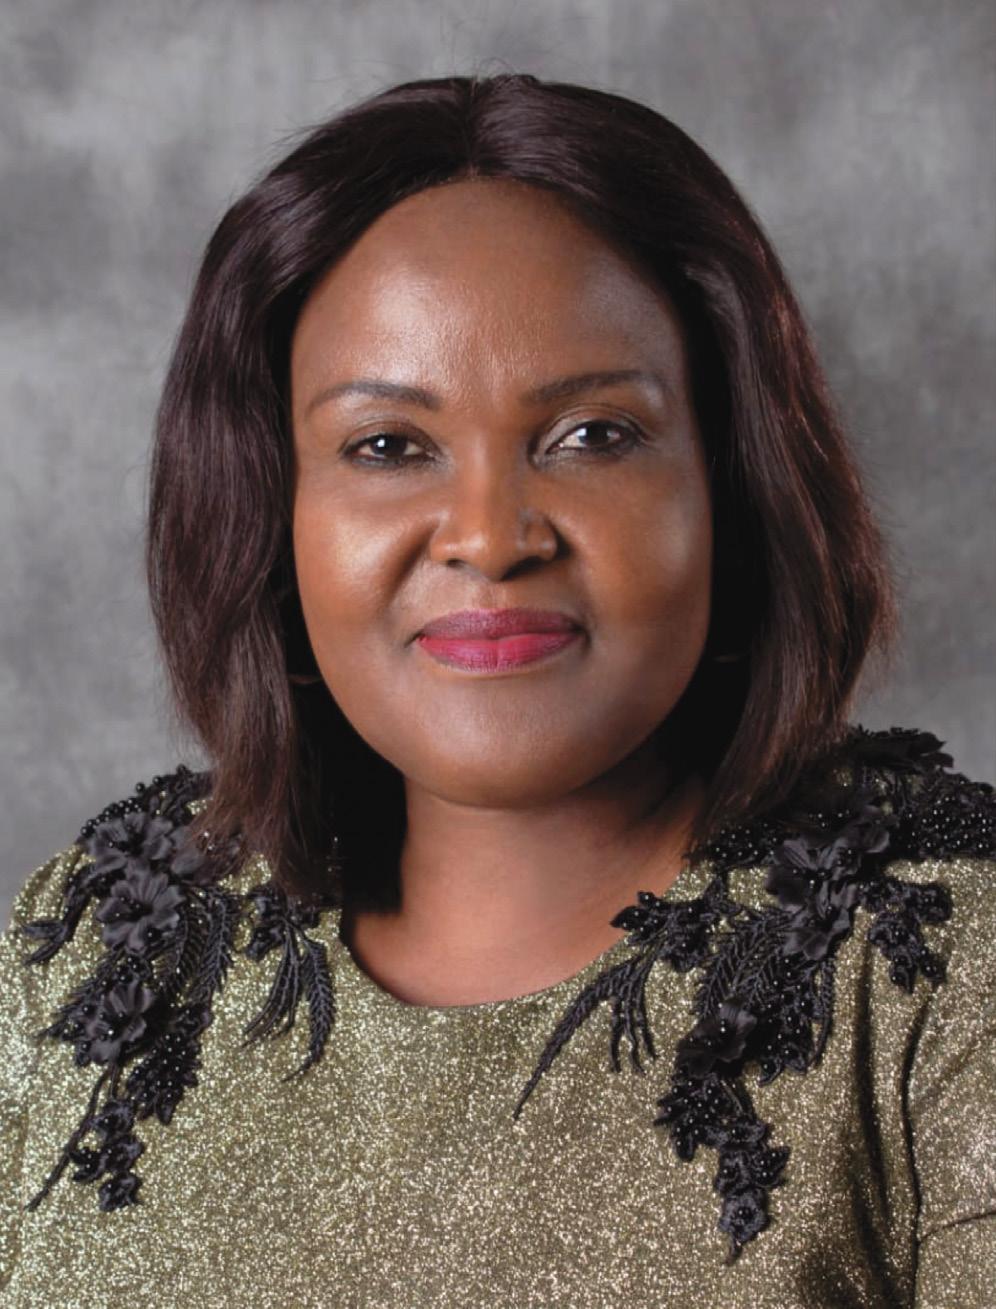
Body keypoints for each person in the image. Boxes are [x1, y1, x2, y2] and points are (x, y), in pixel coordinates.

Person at [0, 72, 992, 1308]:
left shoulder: (942, 973)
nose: (488, 534)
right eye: (387, 447)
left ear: (734, 486)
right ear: (269, 514)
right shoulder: (100, 953)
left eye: (593, 435)